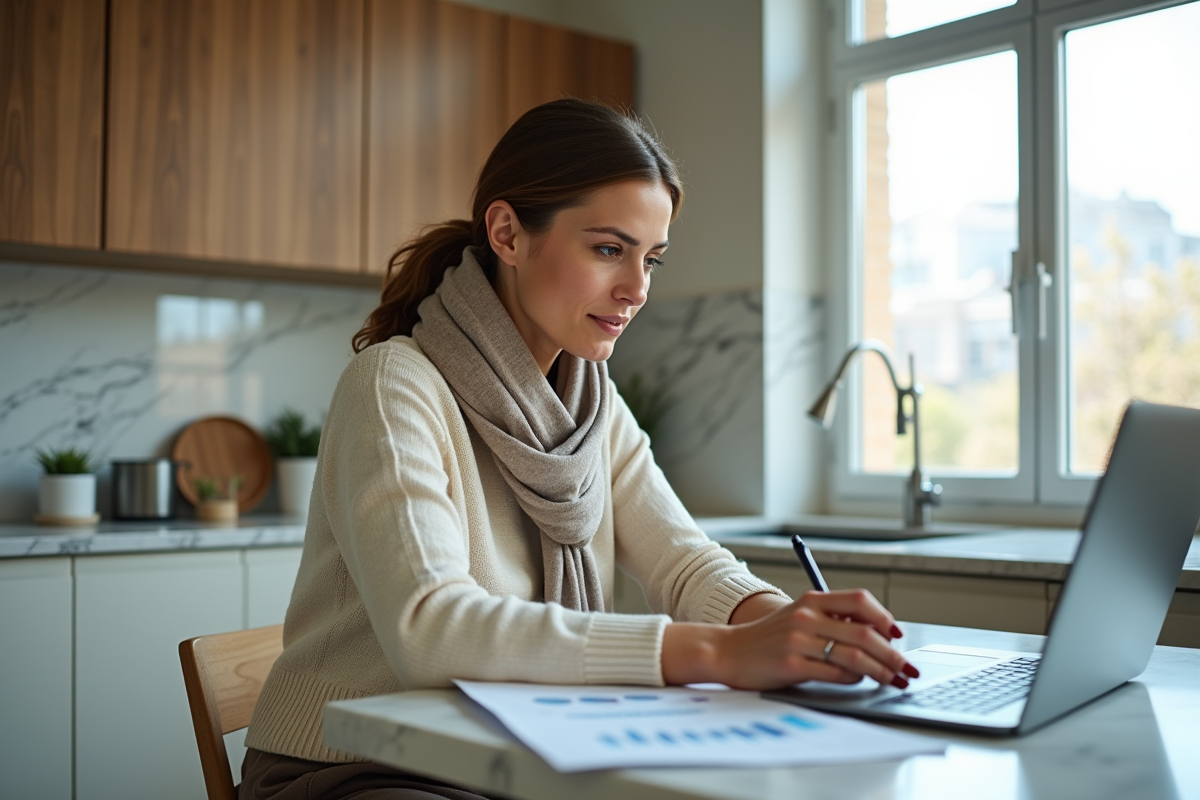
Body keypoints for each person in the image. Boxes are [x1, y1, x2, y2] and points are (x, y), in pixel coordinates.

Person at [239, 99, 918, 799]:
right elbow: (428, 630)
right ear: (507, 232)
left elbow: (683, 562)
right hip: (357, 765)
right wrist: (718, 651)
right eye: (607, 249)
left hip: (507, 749)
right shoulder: (393, 384)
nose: (637, 289)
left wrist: (786, 627)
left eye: (651, 258)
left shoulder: (590, 402)